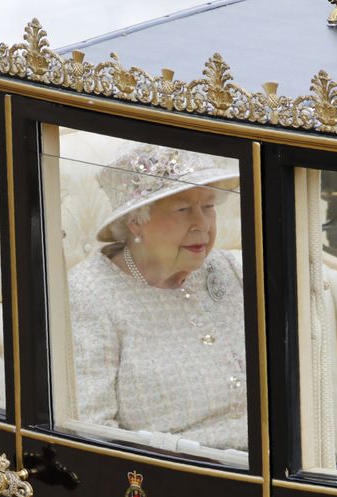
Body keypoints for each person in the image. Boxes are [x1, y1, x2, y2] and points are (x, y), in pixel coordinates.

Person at [68, 143, 246, 452]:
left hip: (274, 463)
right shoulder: (90, 295)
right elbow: (92, 431)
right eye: (183, 209)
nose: (202, 225)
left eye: (208, 207)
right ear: (136, 220)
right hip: (184, 479)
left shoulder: (227, 268)